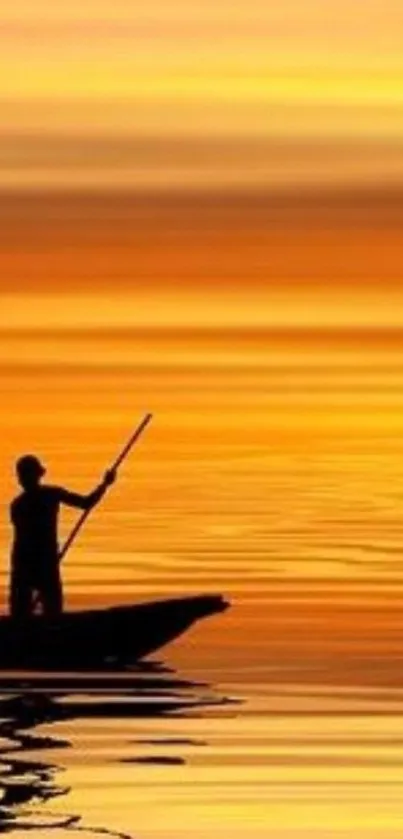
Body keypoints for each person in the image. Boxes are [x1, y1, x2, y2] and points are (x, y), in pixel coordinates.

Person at [9, 454, 116, 619]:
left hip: (33, 563)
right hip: (38, 564)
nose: (23, 479)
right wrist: (105, 484)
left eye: (25, 475)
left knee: (28, 614)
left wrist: (105, 484)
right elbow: (86, 503)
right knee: (39, 614)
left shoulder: (21, 504)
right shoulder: (44, 497)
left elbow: (85, 503)